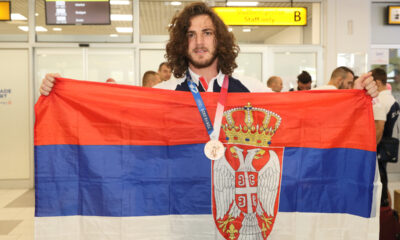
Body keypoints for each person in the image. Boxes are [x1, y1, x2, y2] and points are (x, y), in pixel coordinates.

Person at [39, 2, 377, 96]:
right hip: (181, 215)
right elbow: (116, 120)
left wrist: (357, 96)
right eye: (191, 34)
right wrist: (60, 91)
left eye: (207, 33)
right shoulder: (165, 93)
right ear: (181, 43)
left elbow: (305, 111)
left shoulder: (253, 89)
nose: (199, 41)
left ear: (220, 40)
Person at [371, 68, 400, 239]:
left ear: (379, 83)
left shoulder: (381, 100)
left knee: (381, 180)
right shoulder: (391, 98)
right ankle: (387, 210)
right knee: (384, 179)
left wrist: (371, 148)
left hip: (382, 146)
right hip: (390, 144)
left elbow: (379, 128)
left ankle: (385, 213)